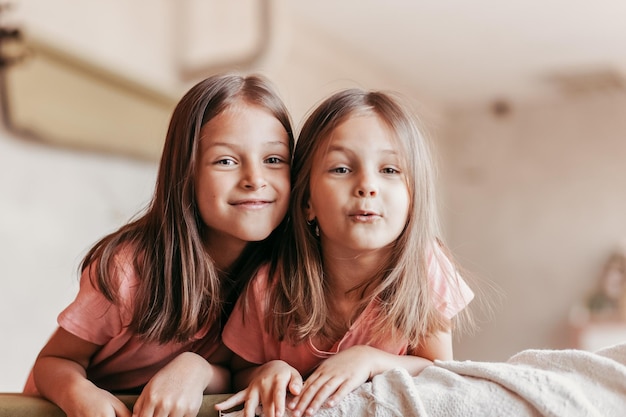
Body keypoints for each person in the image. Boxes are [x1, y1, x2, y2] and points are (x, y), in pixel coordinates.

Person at [23, 72, 294, 417]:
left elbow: (234, 374)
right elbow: (56, 360)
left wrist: (196, 368)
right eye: (226, 161)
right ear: (187, 173)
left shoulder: (278, 277)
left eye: (273, 160)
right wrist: (80, 395)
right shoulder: (128, 270)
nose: (255, 179)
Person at [216, 88, 475, 417]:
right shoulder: (268, 287)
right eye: (341, 169)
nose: (367, 185)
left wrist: (371, 360)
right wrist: (269, 371)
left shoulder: (426, 268)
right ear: (307, 201)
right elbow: (238, 371)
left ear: (413, 198)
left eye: (390, 170)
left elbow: (438, 371)